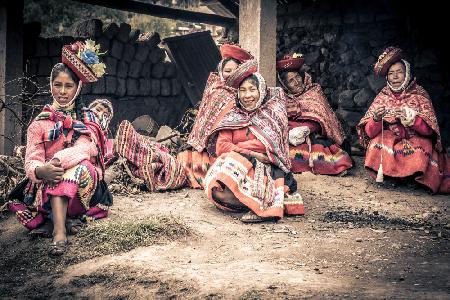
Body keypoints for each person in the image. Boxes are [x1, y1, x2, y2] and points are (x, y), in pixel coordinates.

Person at [8, 40, 113, 256]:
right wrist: (39, 170)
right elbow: (31, 159)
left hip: (83, 186)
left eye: (68, 86)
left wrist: (56, 162)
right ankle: (63, 222)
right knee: (56, 176)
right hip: (48, 182)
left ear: (78, 88)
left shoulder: (87, 118)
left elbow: (86, 148)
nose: (62, 91)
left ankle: (58, 233)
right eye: (58, 85)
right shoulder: (40, 123)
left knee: (77, 169)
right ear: (51, 85)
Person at [204, 60, 304, 223]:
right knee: (219, 186)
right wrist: (252, 153)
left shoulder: (273, 114)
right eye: (242, 90)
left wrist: (238, 148)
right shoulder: (232, 116)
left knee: (234, 159)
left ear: (261, 90)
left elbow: (269, 146)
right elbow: (221, 146)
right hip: (243, 163)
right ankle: (254, 202)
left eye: (252, 89)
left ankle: (256, 203)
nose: (247, 95)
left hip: (267, 167)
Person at [357, 47, 449, 193]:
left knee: (422, 145)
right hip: (391, 140)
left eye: (399, 72)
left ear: (407, 74)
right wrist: (376, 118)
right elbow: (369, 132)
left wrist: (413, 120)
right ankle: (389, 176)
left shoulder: (419, 94)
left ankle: (411, 177)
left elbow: (430, 132)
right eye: (391, 73)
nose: (395, 77)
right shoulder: (383, 96)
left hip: (415, 138)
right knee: (378, 142)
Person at [177, 44, 254, 188]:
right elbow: (205, 119)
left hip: (236, 141)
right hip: (213, 145)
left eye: (235, 70)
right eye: (227, 71)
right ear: (221, 72)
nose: (231, 74)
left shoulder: (248, 93)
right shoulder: (216, 89)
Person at [277, 53, 353, 175]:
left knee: (328, 155)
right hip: (293, 137)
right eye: (291, 81)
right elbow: (280, 120)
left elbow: (323, 118)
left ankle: (331, 167)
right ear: (285, 85)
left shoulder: (314, 92)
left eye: (297, 77)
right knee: (290, 153)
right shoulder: (282, 99)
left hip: (315, 135)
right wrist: (292, 130)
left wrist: (307, 129)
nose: (296, 82)